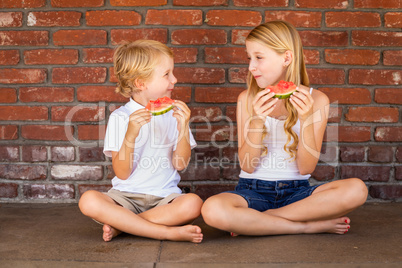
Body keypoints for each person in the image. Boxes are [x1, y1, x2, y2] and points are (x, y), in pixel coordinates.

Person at [201, 21, 368, 236]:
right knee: (212, 209)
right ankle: (305, 226)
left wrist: (306, 119)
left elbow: (306, 168)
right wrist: (257, 121)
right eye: (249, 58)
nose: (251, 67)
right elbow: (247, 166)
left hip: (297, 194)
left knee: (356, 190)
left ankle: (257, 222)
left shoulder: (317, 100)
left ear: (286, 58)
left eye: (259, 58)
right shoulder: (247, 99)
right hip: (252, 191)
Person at [79, 40, 203, 243]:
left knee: (193, 203)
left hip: (165, 198)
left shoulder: (176, 114)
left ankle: (124, 226)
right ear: (140, 83)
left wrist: (183, 128)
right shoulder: (120, 117)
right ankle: (166, 232)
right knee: (88, 200)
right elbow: (122, 172)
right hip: (125, 197)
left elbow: (180, 164)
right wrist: (130, 134)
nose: (175, 79)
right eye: (167, 74)